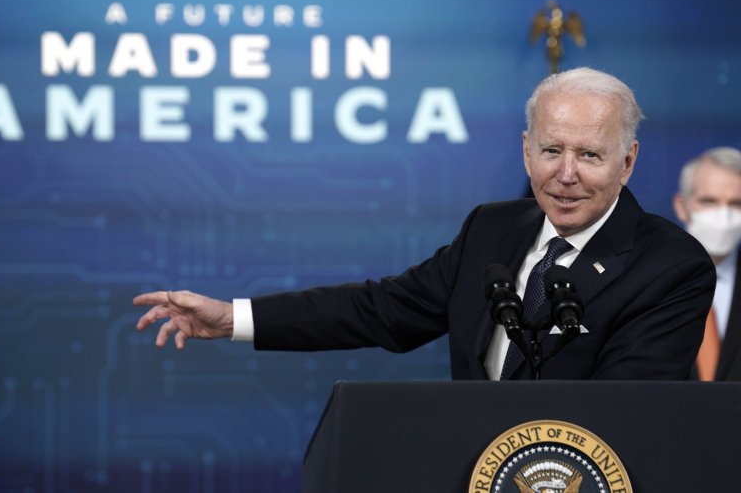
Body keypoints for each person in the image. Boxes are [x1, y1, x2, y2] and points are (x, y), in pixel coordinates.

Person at [135, 67, 715, 380]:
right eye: (550, 150)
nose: (565, 175)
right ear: (524, 152)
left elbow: (630, 413)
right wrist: (232, 317)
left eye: (589, 155)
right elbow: (382, 310)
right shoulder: (492, 230)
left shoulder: (670, 265)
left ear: (628, 161)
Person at [673, 146, 741, 381]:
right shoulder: (646, 279)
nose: (723, 214)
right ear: (683, 207)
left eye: (736, 203)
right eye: (709, 201)